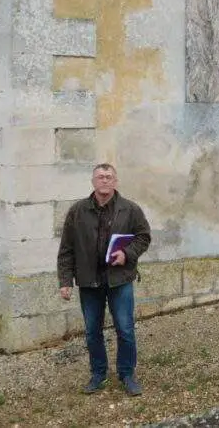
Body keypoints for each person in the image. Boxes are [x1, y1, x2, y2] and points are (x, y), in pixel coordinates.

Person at [57, 163, 152, 396]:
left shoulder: (130, 209)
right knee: (92, 332)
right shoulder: (77, 211)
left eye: (109, 176)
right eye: (100, 176)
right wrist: (65, 281)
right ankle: (98, 374)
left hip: (120, 279)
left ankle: (127, 374)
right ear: (93, 182)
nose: (105, 180)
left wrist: (127, 254)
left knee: (125, 329)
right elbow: (67, 249)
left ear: (115, 181)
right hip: (89, 281)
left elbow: (144, 237)